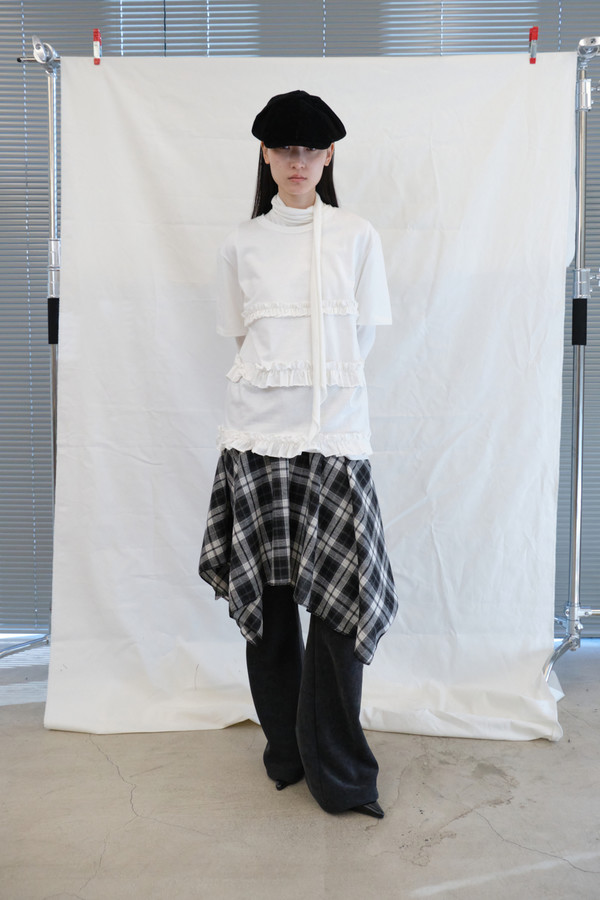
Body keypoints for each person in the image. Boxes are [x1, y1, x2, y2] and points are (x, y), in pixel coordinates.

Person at [199, 90, 397, 819]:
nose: (298, 162)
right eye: (285, 149)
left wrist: (325, 406)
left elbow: (361, 339)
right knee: (272, 605)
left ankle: (337, 768)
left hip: (335, 439)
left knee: (340, 609)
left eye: (311, 150)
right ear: (265, 154)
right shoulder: (241, 245)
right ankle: (285, 751)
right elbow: (242, 337)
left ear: (330, 156)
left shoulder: (358, 236)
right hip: (256, 440)